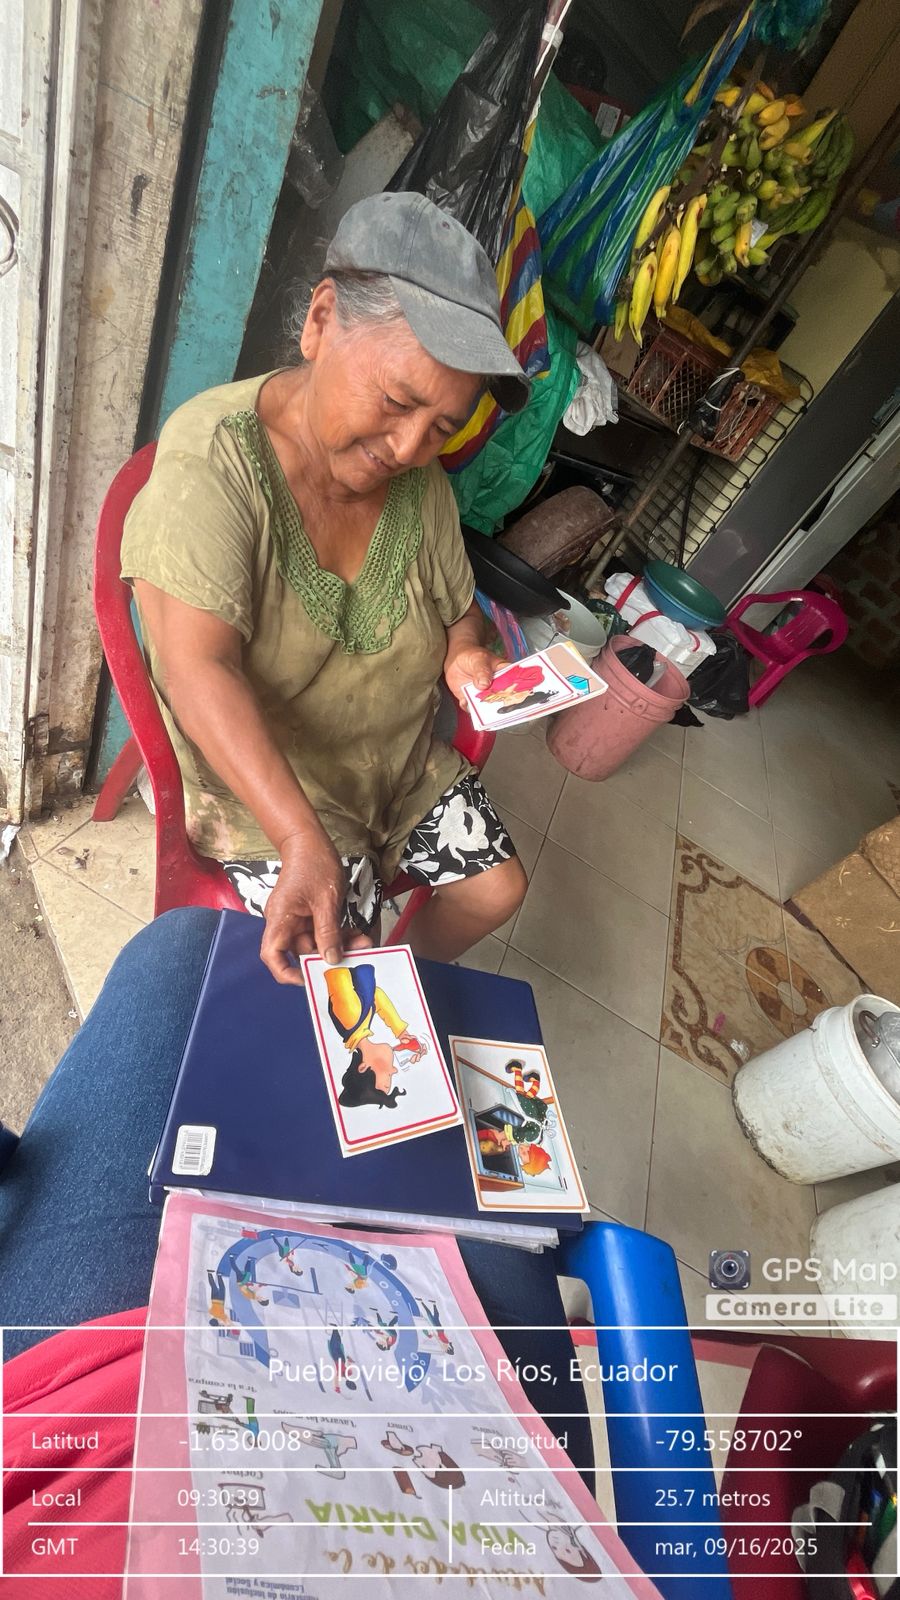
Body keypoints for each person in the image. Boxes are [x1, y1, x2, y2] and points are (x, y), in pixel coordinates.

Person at [120, 191, 531, 984]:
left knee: (497, 889)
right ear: (320, 322)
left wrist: (465, 656)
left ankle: (400, 979)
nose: (409, 448)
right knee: (330, 971)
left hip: (392, 765)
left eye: (443, 428)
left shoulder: (421, 486)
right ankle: (365, 987)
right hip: (276, 789)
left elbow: (459, 614)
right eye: (398, 401)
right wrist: (299, 837)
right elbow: (197, 669)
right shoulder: (215, 465)